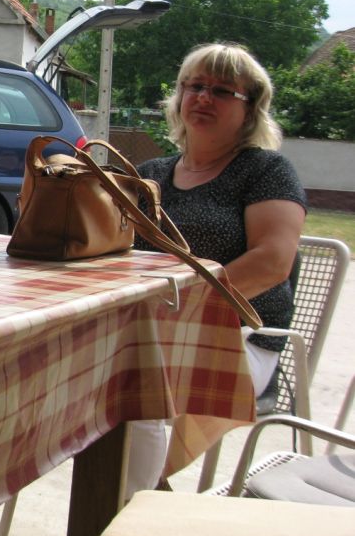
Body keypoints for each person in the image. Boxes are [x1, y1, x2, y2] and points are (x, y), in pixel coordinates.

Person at [127, 41, 307, 493]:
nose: (204, 97)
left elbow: (271, 262)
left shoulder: (265, 171)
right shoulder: (151, 173)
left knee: (129, 390)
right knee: (70, 375)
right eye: (195, 86)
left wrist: (180, 308)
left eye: (223, 91)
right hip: (150, 333)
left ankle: (128, 508)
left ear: (250, 109)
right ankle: (140, 494)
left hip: (238, 340)